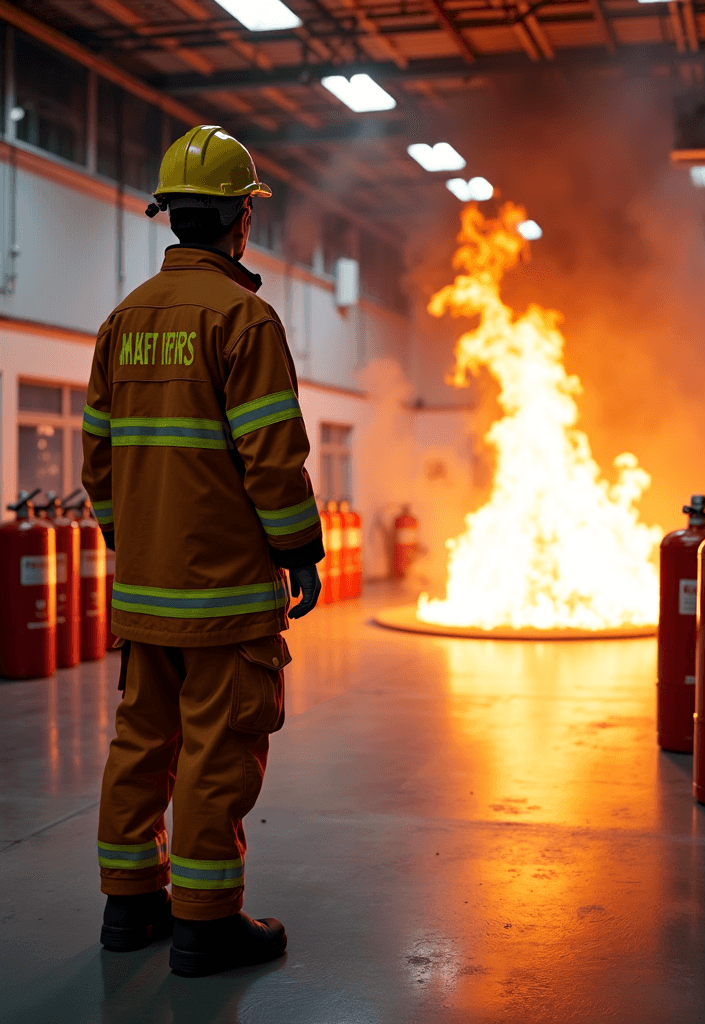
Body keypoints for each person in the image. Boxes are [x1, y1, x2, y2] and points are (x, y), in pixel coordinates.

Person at [81, 125, 323, 978]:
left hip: (146, 598)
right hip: (222, 601)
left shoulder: (122, 323)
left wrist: (131, 542)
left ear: (171, 216)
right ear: (239, 222)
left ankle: (130, 909)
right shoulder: (243, 318)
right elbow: (272, 456)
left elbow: (98, 463)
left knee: (142, 746)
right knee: (218, 754)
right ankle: (206, 926)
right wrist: (298, 550)